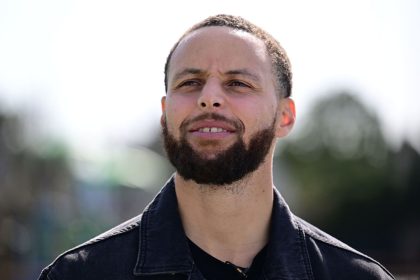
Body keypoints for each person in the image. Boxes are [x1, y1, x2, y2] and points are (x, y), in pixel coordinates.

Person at [38, 14, 394, 280]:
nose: (209, 98)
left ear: (284, 117)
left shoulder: (355, 276)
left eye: (237, 83)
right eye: (190, 82)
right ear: (166, 114)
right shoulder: (81, 275)